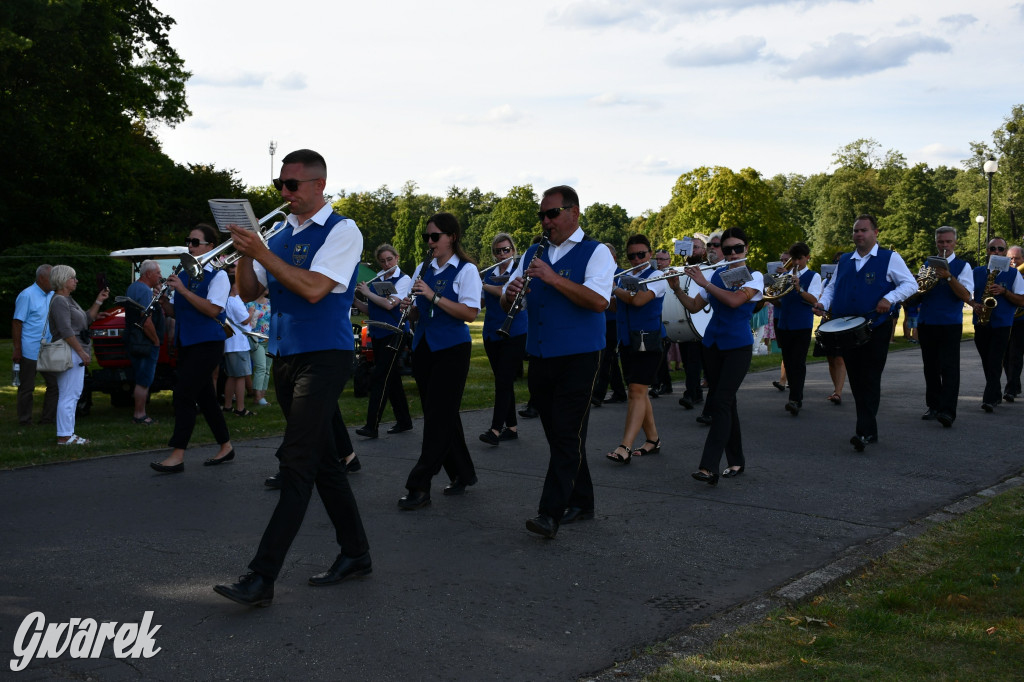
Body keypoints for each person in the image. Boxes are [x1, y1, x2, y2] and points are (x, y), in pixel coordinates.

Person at [215, 148, 370, 607]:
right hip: (285, 353)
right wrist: (246, 253)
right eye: (279, 186)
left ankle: (262, 577)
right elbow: (250, 291)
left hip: (325, 354)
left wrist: (260, 249)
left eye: (292, 186)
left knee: (298, 463)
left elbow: (315, 288)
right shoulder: (281, 233)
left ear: (319, 185)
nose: (284, 194)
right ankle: (356, 552)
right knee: (323, 462)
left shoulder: (342, 230)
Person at [503, 185, 615, 538]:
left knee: (566, 433)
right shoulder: (533, 254)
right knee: (561, 436)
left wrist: (551, 278)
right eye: (542, 215)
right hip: (540, 354)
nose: (546, 220)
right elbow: (513, 306)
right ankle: (583, 501)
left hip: (580, 356)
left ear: (574, 213)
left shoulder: (596, 253)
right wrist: (509, 297)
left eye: (552, 213)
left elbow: (599, 301)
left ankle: (548, 514)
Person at [396, 212, 482, 510]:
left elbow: (470, 314)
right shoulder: (424, 267)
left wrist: (432, 296)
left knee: (437, 418)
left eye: (435, 237)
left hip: (451, 350)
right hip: (424, 347)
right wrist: (412, 308)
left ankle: (419, 484)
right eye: (427, 237)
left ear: (452, 237)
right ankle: (462, 473)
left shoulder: (466, 270)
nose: (430, 242)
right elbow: (421, 313)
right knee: (442, 415)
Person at [815, 215, 916, 452]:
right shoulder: (846, 261)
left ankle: (865, 431)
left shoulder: (890, 258)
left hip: (875, 326)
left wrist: (888, 299)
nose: (858, 234)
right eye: (855, 231)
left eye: (863, 230)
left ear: (875, 232)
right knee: (857, 378)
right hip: (846, 328)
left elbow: (910, 284)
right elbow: (832, 288)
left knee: (869, 377)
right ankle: (867, 427)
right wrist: (823, 304)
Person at [672, 228, 763, 485]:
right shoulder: (715, 274)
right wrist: (677, 289)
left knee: (720, 402)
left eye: (738, 248)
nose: (733, 253)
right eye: (728, 249)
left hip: (737, 347)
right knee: (727, 403)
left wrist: (706, 283)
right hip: (711, 345)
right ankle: (736, 461)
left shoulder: (753, 276)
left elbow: (735, 301)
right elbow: (694, 306)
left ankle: (709, 466)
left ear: (746, 249)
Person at [151, 224, 235, 473]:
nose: (190, 246)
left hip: (208, 343)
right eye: (189, 241)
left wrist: (184, 291)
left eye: (196, 242)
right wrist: (165, 302)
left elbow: (212, 309)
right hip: (187, 342)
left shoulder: (218, 275)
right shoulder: (185, 274)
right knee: (206, 397)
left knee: (183, 394)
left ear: (211, 247)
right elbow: (178, 313)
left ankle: (177, 454)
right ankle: (226, 446)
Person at [605, 235, 666, 464]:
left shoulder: (658, 275)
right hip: (628, 342)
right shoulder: (624, 278)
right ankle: (652, 439)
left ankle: (625, 446)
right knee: (639, 392)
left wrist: (613, 288)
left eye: (641, 254)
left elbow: (639, 300)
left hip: (648, 342)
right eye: (632, 256)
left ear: (650, 254)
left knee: (636, 393)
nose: (637, 259)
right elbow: (615, 307)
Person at [916, 226, 974, 428]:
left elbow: (966, 295)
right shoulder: (927, 263)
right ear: (936, 243)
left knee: (949, 368)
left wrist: (948, 277)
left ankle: (948, 411)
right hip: (927, 322)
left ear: (955, 242)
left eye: (948, 242)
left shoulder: (963, 266)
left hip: (950, 323)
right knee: (930, 367)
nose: (944, 246)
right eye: (941, 242)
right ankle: (933, 406)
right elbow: (919, 290)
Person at [354, 244, 413, 439]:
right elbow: (372, 309)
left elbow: (390, 304)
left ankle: (372, 426)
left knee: (380, 377)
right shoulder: (377, 278)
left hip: (395, 332)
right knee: (392, 377)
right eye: (383, 260)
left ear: (396, 258)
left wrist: (367, 292)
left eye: (390, 259)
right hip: (378, 333)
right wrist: (354, 300)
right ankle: (404, 421)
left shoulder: (404, 279)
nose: (386, 263)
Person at [47, 265, 109, 444]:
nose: (76, 281)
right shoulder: (59, 301)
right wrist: (81, 351)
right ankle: (65, 436)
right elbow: (66, 330)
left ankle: (68, 434)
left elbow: (85, 319)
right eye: (73, 278)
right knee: (69, 394)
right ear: (63, 280)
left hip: (73, 352)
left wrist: (99, 302)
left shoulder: (68, 299)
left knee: (72, 393)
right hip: (70, 352)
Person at [479, 233, 525, 445]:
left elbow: (502, 292)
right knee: (503, 380)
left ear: (513, 251)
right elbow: (481, 303)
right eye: (498, 251)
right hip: (491, 332)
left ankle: (496, 430)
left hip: (515, 331)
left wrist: (483, 286)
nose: (502, 254)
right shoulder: (489, 274)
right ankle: (512, 427)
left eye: (506, 250)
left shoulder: (519, 271)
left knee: (503, 380)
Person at [971, 237, 1024, 412]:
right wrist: (974, 304)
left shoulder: (1014, 273)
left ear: (1005, 252)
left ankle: (989, 399)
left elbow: (1022, 300)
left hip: (1003, 323)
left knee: (995, 360)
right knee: (987, 361)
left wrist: (1004, 292)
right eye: (992, 248)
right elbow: (966, 294)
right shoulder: (976, 272)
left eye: (1001, 249)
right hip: (981, 322)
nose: (996, 252)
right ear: (987, 251)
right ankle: (995, 392)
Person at [772, 242, 823, 416]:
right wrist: (770, 296)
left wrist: (799, 288)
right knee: (788, 360)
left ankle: (795, 399)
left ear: (807, 258)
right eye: (794, 259)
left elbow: (814, 299)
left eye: (800, 259)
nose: (796, 262)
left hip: (801, 324)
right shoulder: (785, 275)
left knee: (798, 362)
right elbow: (779, 300)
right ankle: (793, 396)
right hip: (784, 322)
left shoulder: (813, 276)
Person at [12, 264, 58, 426]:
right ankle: (25, 421)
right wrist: (17, 349)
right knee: (27, 387)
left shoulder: (53, 295)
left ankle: (48, 419)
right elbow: (17, 323)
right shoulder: (27, 295)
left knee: (54, 385)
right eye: (51, 278)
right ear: (41, 278)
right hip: (30, 349)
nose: (54, 281)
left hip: (49, 348)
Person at [125, 260, 164, 425]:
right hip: (145, 343)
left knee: (140, 377)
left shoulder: (133, 287)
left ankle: (139, 413)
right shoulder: (144, 291)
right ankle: (140, 415)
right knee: (144, 379)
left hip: (134, 340)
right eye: (158, 273)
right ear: (148, 274)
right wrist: (156, 341)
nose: (160, 277)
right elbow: (146, 321)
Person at [591, 243, 628, 406]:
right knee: (610, 358)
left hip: (614, 321)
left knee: (606, 358)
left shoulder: (621, 274)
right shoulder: (599, 274)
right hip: (601, 320)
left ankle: (599, 394)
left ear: (613, 258)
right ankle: (619, 391)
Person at [677, 236, 707, 410]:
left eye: (696, 247)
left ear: (703, 250)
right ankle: (695, 392)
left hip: (699, 320)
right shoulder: (681, 269)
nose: (693, 250)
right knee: (688, 360)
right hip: (684, 319)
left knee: (694, 358)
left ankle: (690, 394)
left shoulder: (707, 269)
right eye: (691, 247)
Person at [222, 276, 255, 417]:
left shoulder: (226, 301)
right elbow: (245, 319)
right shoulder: (234, 301)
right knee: (241, 376)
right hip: (238, 344)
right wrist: (252, 311)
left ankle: (228, 405)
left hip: (230, 343)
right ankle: (240, 409)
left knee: (232, 376)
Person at [649, 248, 675, 396]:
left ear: (669, 261)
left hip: (668, 320)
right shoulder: (653, 275)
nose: (659, 262)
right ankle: (662, 384)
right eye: (657, 259)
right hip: (658, 320)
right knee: (659, 357)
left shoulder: (673, 274)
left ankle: (661, 384)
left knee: (660, 357)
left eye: (663, 259)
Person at [1002, 245, 1024, 400]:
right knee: (1005, 355)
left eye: (1017, 258)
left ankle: (1010, 389)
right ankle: (1014, 385)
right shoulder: (1003, 273)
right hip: (1005, 318)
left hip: (1021, 320)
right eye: (1010, 258)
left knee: (1015, 355)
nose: (1013, 261)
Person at [246, 290, 272, 406]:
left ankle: (262, 395)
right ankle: (257, 397)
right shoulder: (250, 304)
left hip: (269, 340)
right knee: (261, 367)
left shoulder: (271, 303)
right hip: (256, 340)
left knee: (267, 369)